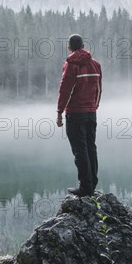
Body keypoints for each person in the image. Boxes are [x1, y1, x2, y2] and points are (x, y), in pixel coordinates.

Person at [56, 34, 102, 197]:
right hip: (91, 113)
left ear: (70, 47)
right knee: (91, 147)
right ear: (82, 45)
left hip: (75, 114)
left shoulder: (71, 65)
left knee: (80, 150)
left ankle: (85, 187)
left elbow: (65, 90)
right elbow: (98, 89)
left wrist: (59, 112)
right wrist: (94, 106)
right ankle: (92, 184)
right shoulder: (96, 64)